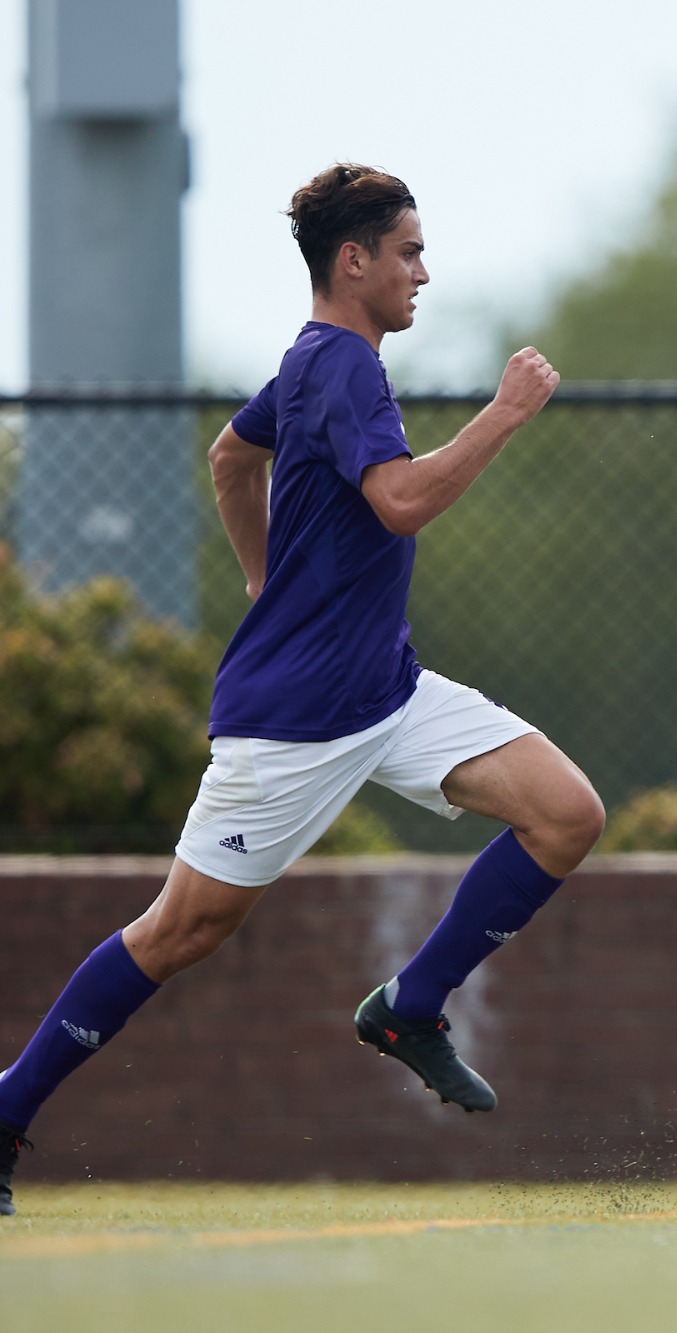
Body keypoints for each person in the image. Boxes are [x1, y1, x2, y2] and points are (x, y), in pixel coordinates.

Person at [0, 164, 605, 1217]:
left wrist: (262, 575)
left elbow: (231, 457)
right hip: (292, 722)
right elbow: (400, 501)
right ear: (353, 260)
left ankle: (410, 1006)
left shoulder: (314, 364)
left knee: (566, 814)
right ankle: (8, 1107)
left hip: (386, 690)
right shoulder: (343, 365)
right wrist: (504, 414)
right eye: (409, 252)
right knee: (179, 932)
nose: (424, 272)